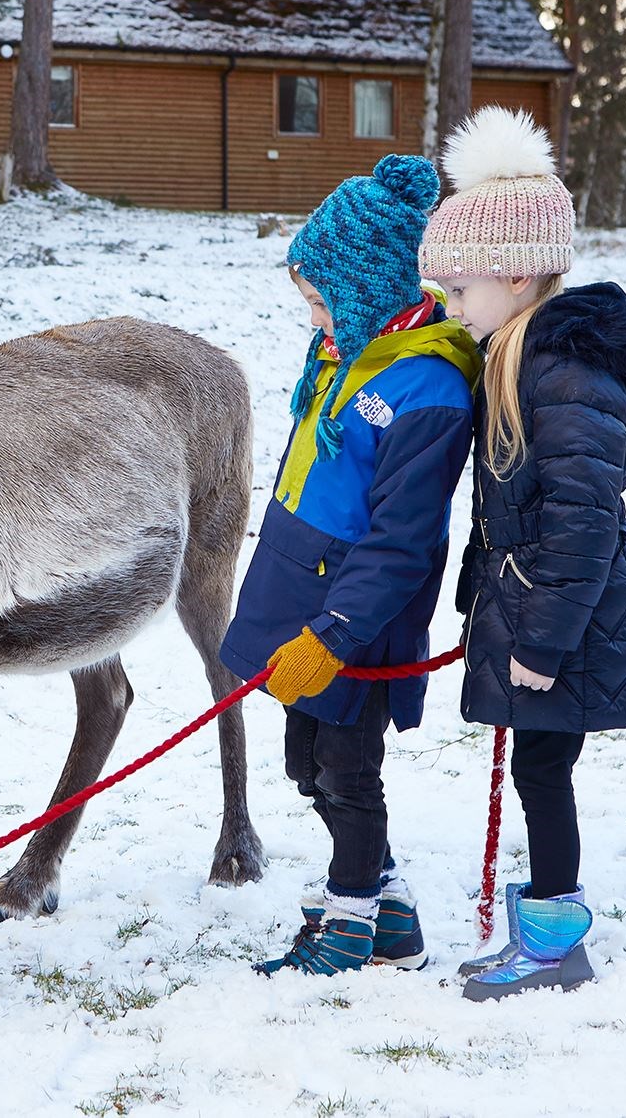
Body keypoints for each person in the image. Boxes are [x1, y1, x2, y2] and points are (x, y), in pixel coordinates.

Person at [421, 106, 626, 999]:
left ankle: (554, 941)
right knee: (542, 769)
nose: (451, 308)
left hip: (570, 621)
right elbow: (512, 512)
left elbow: (581, 524)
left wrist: (541, 644)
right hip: (537, 608)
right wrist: (484, 602)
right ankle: (544, 925)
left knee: (545, 771)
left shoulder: (562, 375)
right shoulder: (521, 362)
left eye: (460, 291)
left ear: (513, 276)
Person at [220, 154, 481, 977]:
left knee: (348, 771)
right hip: (300, 595)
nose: (313, 313)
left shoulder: (427, 388)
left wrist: (334, 635)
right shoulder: (344, 355)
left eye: (321, 295)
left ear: (369, 285)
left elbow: (402, 540)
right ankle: (392, 911)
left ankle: (350, 922)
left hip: (356, 620)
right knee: (309, 765)